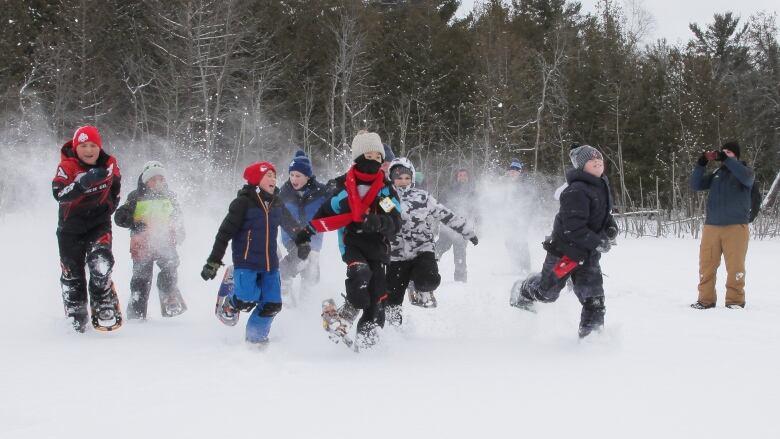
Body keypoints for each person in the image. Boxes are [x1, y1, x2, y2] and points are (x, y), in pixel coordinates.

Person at [302, 131, 402, 349]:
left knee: (375, 302)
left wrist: (378, 221)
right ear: (359, 157)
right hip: (353, 244)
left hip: (378, 249)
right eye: (370, 155)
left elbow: (395, 222)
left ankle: (365, 347)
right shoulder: (344, 187)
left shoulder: (385, 191)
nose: (375, 161)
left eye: (379, 157)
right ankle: (346, 313)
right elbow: (324, 214)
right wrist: (306, 233)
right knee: (361, 277)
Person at [510, 145, 618, 339]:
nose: (597, 163)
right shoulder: (575, 191)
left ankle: (591, 339)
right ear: (581, 167)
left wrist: (610, 227)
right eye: (592, 161)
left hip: (588, 256)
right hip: (566, 254)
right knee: (547, 293)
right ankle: (524, 289)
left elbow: (603, 214)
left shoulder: (601, 185)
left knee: (594, 298)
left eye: (600, 161)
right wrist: (597, 241)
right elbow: (573, 228)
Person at [200, 162, 312, 345]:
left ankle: (255, 340)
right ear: (256, 179)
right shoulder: (242, 203)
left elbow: (292, 225)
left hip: (270, 265)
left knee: (272, 305)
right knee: (246, 300)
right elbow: (224, 234)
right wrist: (213, 261)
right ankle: (231, 300)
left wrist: (302, 240)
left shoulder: (277, 203)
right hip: (246, 262)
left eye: (274, 176)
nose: (273, 179)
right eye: (268, 175)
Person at [386, 157, 477, 325]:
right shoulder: (387, 199)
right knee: (392, 296)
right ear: (392, 178)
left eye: (407, 177)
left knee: (430, 279)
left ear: (412, 178)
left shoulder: (423, 197)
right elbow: (382, 221)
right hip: (397, 253)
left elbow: (445, 214)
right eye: (398, 178)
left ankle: (420, 287)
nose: (403, 181)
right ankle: (394, 329)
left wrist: (466, 230)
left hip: (422, 249)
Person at [52, 125, 122, 332]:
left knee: (100, 262)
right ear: (76, 147)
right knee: (72, 274)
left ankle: (102, 298)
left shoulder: (109, 164)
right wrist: (82, 183)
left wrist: (111, 206)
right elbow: (59, 195)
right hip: (70, 228)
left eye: (93, 145)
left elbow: (116, 185)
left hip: (98, 223)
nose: (89, 150)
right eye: (83, 145)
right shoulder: (67, 166)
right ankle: (76, 310)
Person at [114, 161, 186, 319]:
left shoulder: (170, 196)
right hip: (142, 244)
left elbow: (177, 216)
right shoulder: (135, 197)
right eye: (154, 179)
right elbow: (119, 217)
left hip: (164, 241)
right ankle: (136, 310)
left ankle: (168, 293)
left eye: (161, 179)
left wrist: (179, 231)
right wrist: (132, 220)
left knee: (171, 264)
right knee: (141, 278)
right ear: (146, 180)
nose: (158, 183)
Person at [689, 141, 754, 309]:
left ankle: (735, 300)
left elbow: (747, 178)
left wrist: (727, 160)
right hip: (712, 226)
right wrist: (701, 163)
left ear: (736, 156)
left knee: (735, 267)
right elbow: (695, 185)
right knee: (707, 265)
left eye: (729, 152)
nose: (725, 154)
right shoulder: (717, 173)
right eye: (723, 151)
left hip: (736, 227)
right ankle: (705, 300)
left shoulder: (744, 172)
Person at [278, 150, 328, 302]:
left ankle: (305, 302)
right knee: (301, 258)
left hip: (315, 239)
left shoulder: (321, 191)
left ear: (307, 176)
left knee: (312, 274)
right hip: (292, 237)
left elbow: (336, 204)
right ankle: (283, 282)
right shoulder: (284, 192)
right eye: (291, 174)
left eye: (298, 175)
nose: (294, 178)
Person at [435, 167, 479, 282]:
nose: (462, 177)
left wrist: (476, 222)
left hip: (464, 226)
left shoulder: (473, 191)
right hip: (447, 226)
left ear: (468, 177)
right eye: (460, 175)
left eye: (464, 175)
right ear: (456, 177)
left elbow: (477, 208)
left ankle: (460, 279)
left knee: (460, 252)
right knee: (439, 248)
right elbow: (439, 205)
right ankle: (426, 270)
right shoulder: (448, 190)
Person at [503, 158, 532, 273]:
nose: (513, 172)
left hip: (521, 218)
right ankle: (516, 265)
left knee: (521, 242)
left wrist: (526, 216)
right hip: (510, 218)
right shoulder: (507, 183)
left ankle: (525, 267)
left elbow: (530, 200)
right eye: (511, 170)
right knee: (509, 242)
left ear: (520, 171)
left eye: (515, 170)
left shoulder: (525, 183)